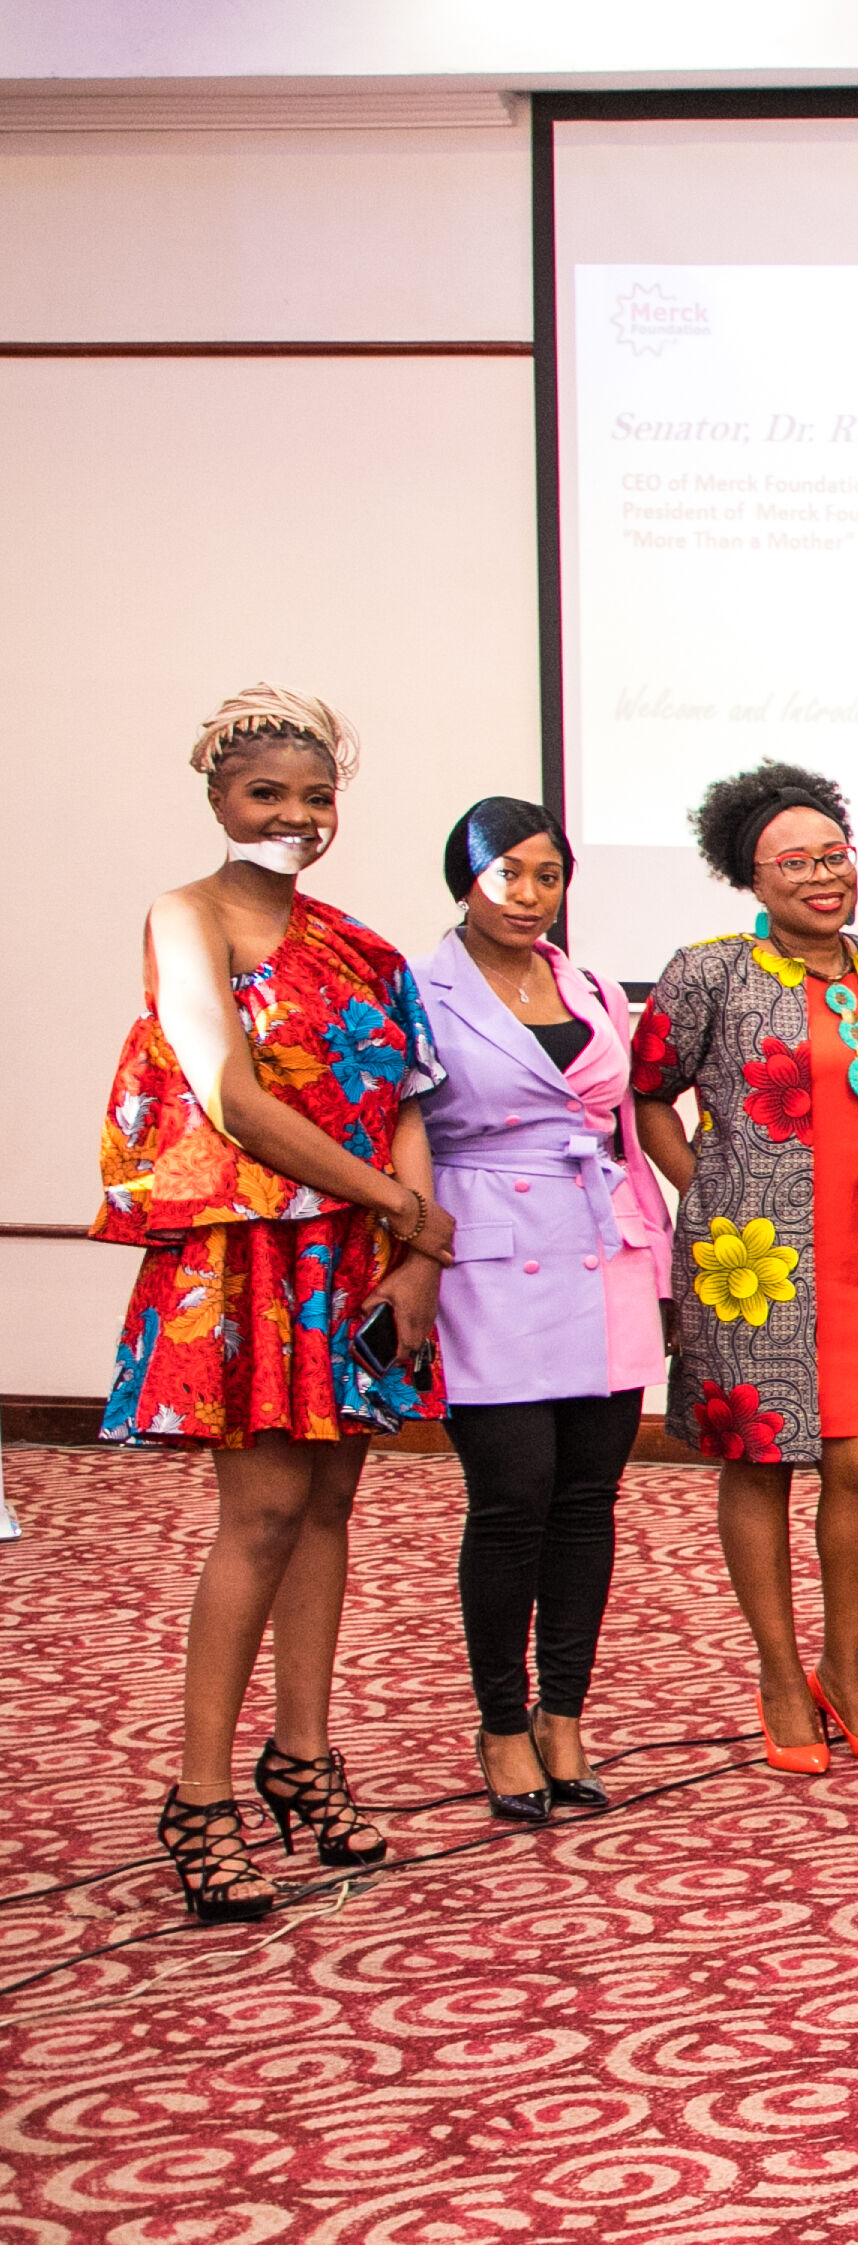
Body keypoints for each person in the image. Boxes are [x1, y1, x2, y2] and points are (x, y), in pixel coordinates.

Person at [111, 690, 442, 1921]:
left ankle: (302, 1755)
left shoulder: (362, 944)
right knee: (256, 1518)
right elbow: (231, 1096)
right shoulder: (185, 914)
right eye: (267, 795)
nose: (295, 816)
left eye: (316, 797)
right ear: (217, 798)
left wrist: (413, 1253)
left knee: (330, 1508)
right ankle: (199, 1796)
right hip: (251, 1254)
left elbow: (408, 1099)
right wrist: (398, 1207)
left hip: (356, 1256)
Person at [634, 760, 858, 1772]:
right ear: (751, 878)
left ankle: (848, 1670)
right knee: (760, 1466)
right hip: (751, 1263)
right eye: (793, 863)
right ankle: (778, 1674)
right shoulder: (707, 970)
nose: (821, 876)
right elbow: (648, 1095)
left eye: (833, 855)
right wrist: (706, 1201)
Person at [417, 798, 665, 1823]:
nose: (528, 895)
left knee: (587, 1498)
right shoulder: (418, 988)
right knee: (512, 1495)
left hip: (602, 1246)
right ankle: (501, 1722)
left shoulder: (591, 985)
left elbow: (622, 1135)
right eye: (506, 874)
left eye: (547, 875)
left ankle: (564, 1713)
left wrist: (662, 1266)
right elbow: (400, 1127)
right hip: (484, 1249)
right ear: (464, 880)